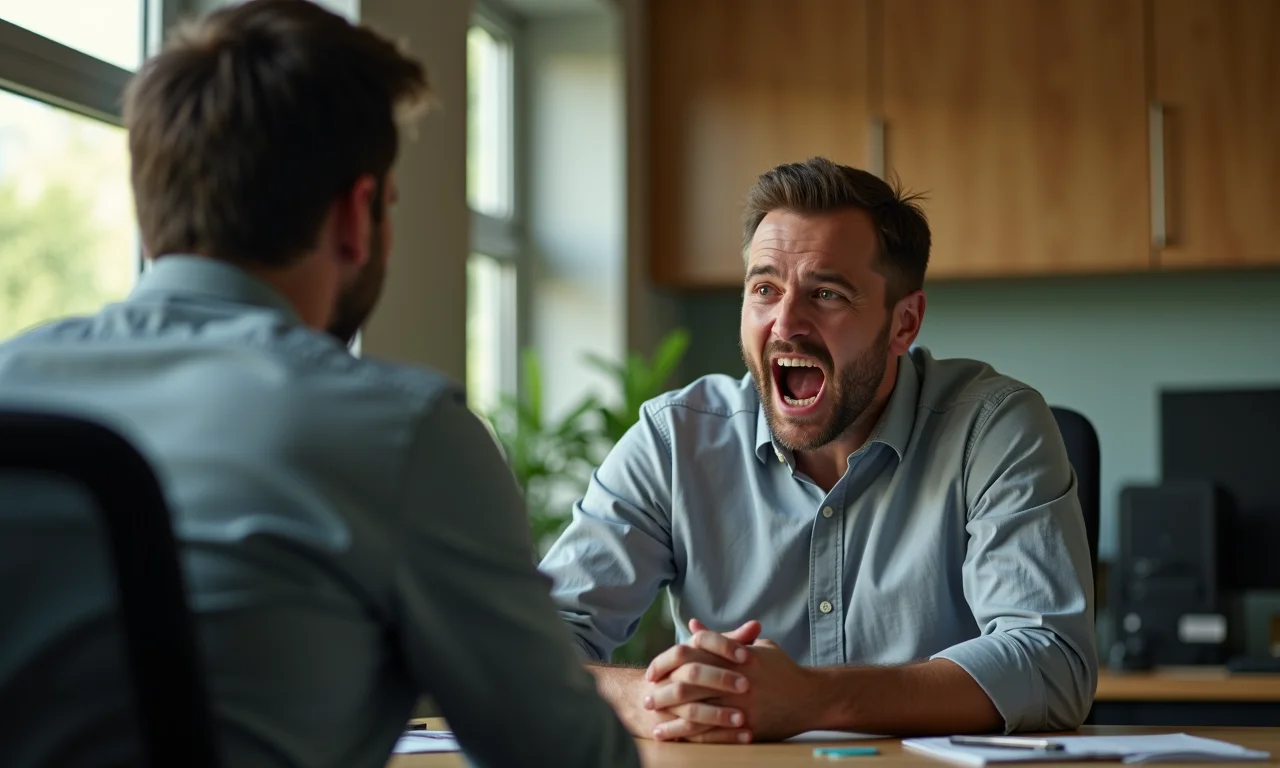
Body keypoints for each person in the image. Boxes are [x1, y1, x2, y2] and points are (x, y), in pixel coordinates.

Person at [0, 2, 637, 767]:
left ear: (148, 210)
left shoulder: (11, 379)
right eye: (389, 205)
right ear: (357, 216)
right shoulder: (402, 432)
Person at [538, 157, 1097, 744]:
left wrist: (814, 699)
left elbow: (1050, 663)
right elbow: (528, 644)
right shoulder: (674, 440)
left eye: (826, 293)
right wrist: (652, 699)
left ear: (904, 324)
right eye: (764, 289)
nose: (786, 324)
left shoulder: (991, 427)